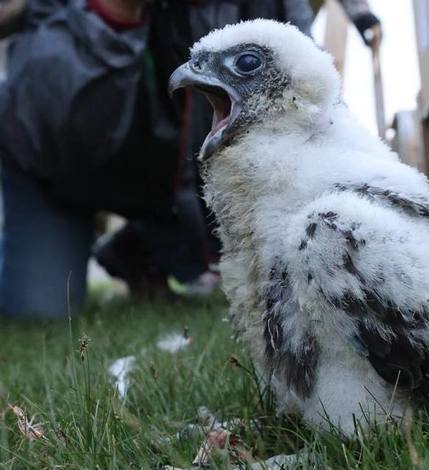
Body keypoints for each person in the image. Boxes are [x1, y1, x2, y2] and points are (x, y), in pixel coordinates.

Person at [0, 0, 317, 317]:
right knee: (38, 311)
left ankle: (141, 246)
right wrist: (114, 14)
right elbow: (45, 120)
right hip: (57, 166)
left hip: (170, 179)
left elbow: (305, 108)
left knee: (286, 295)